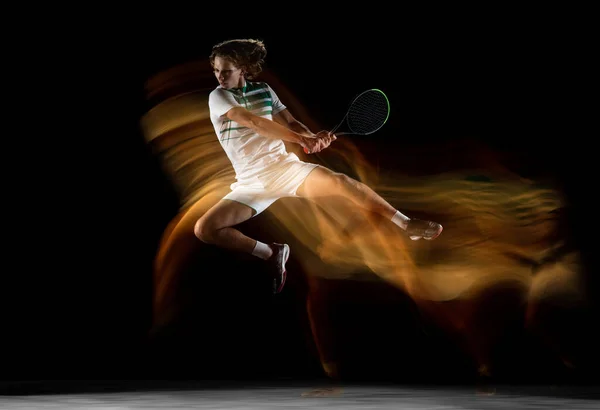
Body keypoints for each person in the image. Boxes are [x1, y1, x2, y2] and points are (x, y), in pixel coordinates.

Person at [195, 38, 443, 295]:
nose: (220, 77)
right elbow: (253, 122)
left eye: (227, 71)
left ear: (243, 69)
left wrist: (311, 136)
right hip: (251, 182)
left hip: (285, 170)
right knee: (205, 229)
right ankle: (272, 253)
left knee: (341, 182)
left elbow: (292, 124)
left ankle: (407, 225)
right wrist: (302, 139)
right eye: (216, 70)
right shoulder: (219, 96)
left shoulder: (265, 91)